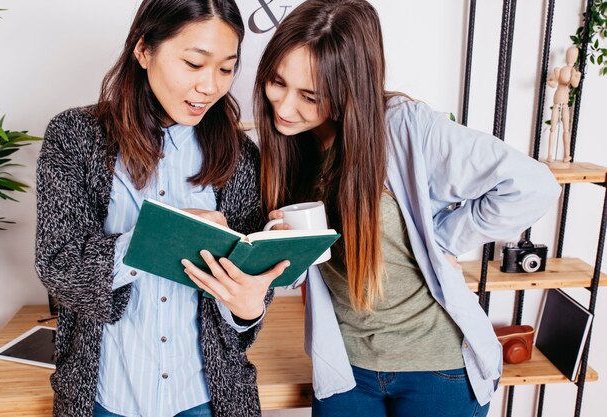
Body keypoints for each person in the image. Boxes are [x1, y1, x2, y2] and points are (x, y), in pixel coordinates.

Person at [254, 1, 561, 416]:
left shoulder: (406, 128)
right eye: (277, 82)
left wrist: (445, 238)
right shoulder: (290, 145)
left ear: (350, 91)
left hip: (436, 369)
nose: (284, 108)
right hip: (347, 369)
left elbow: (533, 185)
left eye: (310, 96)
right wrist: (281, 249)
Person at [35, 1, 288, 416]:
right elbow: (59, 266)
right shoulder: (74, 137)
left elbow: (243, 318)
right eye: (194, 63)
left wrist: (249, 307)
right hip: (105, 398)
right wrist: (162, 236)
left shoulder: (241, 156)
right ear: (144, 50)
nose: (210, 86)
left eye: (226, 69)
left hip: (208, 400)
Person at [546, 46, 581, 166]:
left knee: (566, 129)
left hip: (565, 103)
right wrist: (553, 77)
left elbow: (575, 84)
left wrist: (575, 77)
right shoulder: (560, 69)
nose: (570, 57)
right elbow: (552, 84)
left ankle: (567, 155)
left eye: (573, 55)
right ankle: (550, 154)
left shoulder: (573, 71)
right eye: (569, 54)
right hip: (557, 100)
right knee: (553, 128)